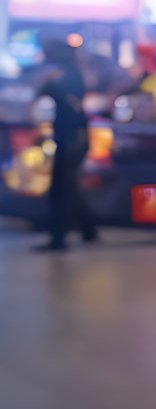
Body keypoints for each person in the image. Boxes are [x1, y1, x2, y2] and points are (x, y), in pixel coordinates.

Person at [34, 39, 97, 251]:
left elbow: (62, 102)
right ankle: (88, 229)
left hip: (72, 139)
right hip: (70, 137)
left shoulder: (65, 77)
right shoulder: (67, 74)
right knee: (67, 187)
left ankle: (59, 238)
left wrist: (49, 85)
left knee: (60, 189)